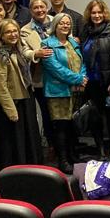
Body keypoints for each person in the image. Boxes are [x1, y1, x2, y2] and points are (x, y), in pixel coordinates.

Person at [0, 19, 42, 168]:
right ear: (1, 35)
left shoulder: (18, 50)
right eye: (8, 32)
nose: (13, 34)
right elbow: (0, 87)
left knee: (29, 137)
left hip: (25, 98)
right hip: (12, 103)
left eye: (15, 31)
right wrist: (11, 111)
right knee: (14, 142)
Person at [40, 13, 87, 173]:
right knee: (61, 127)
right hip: (57, 91)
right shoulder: (47, 44)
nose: (65, 26)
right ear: (55, 25)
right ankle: (63, 160)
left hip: (75, 91)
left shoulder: (73, 42)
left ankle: (73, 155)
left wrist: (83, 77)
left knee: (71, 125)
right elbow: (55, 69)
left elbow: (82, 62)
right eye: (62, 23)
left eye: (68, 23)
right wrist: (78, 79)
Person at [80, 0, 110, 158]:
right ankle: (101, 149)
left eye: (99, 12)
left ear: (105, 13)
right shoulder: (85, 31)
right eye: (93, 13)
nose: (97, 15)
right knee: (94, 117)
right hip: (90, 83)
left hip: (108, 84)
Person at [19, 0, 54, 143]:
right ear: (31, 11)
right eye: (36, 8)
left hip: (60, 76)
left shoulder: (57, 21)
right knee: (47, 112)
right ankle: (51, 143)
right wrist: (35, 53)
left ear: (46, 8)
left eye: (42, 7)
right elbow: (24, 51)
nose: (39, 10)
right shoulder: (25, 30)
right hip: (40, 77)